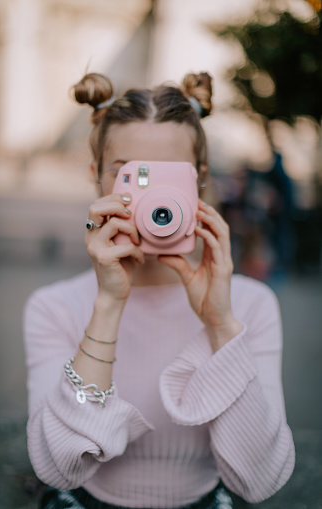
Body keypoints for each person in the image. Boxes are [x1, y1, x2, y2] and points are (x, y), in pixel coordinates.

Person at [23, 72, 295, 509]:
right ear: (96, 175)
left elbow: (259, 480)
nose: (152, 201)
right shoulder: (53, 307)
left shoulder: (250, 305)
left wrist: (221, 326)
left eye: (169, 177)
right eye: (131, 175)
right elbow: (59, 467)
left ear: (200, 179)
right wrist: (109, 304)